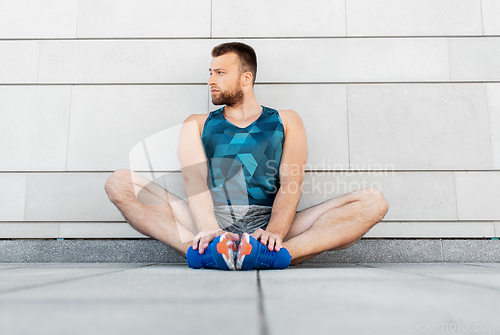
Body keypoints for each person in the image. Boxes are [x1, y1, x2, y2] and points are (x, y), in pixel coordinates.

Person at [104, 42, 389, 271]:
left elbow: (292, 180)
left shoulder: (286, 120)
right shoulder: (197, 123)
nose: (210, 80)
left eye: (219, 73)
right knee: (119, 182)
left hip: (271, 222)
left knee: (373, 202)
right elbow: (194, 180)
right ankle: (206, 250)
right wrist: (209, 231)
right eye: (210, 72)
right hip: (213, 222)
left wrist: (275, 231)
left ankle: (274, 253)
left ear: (246, 78)